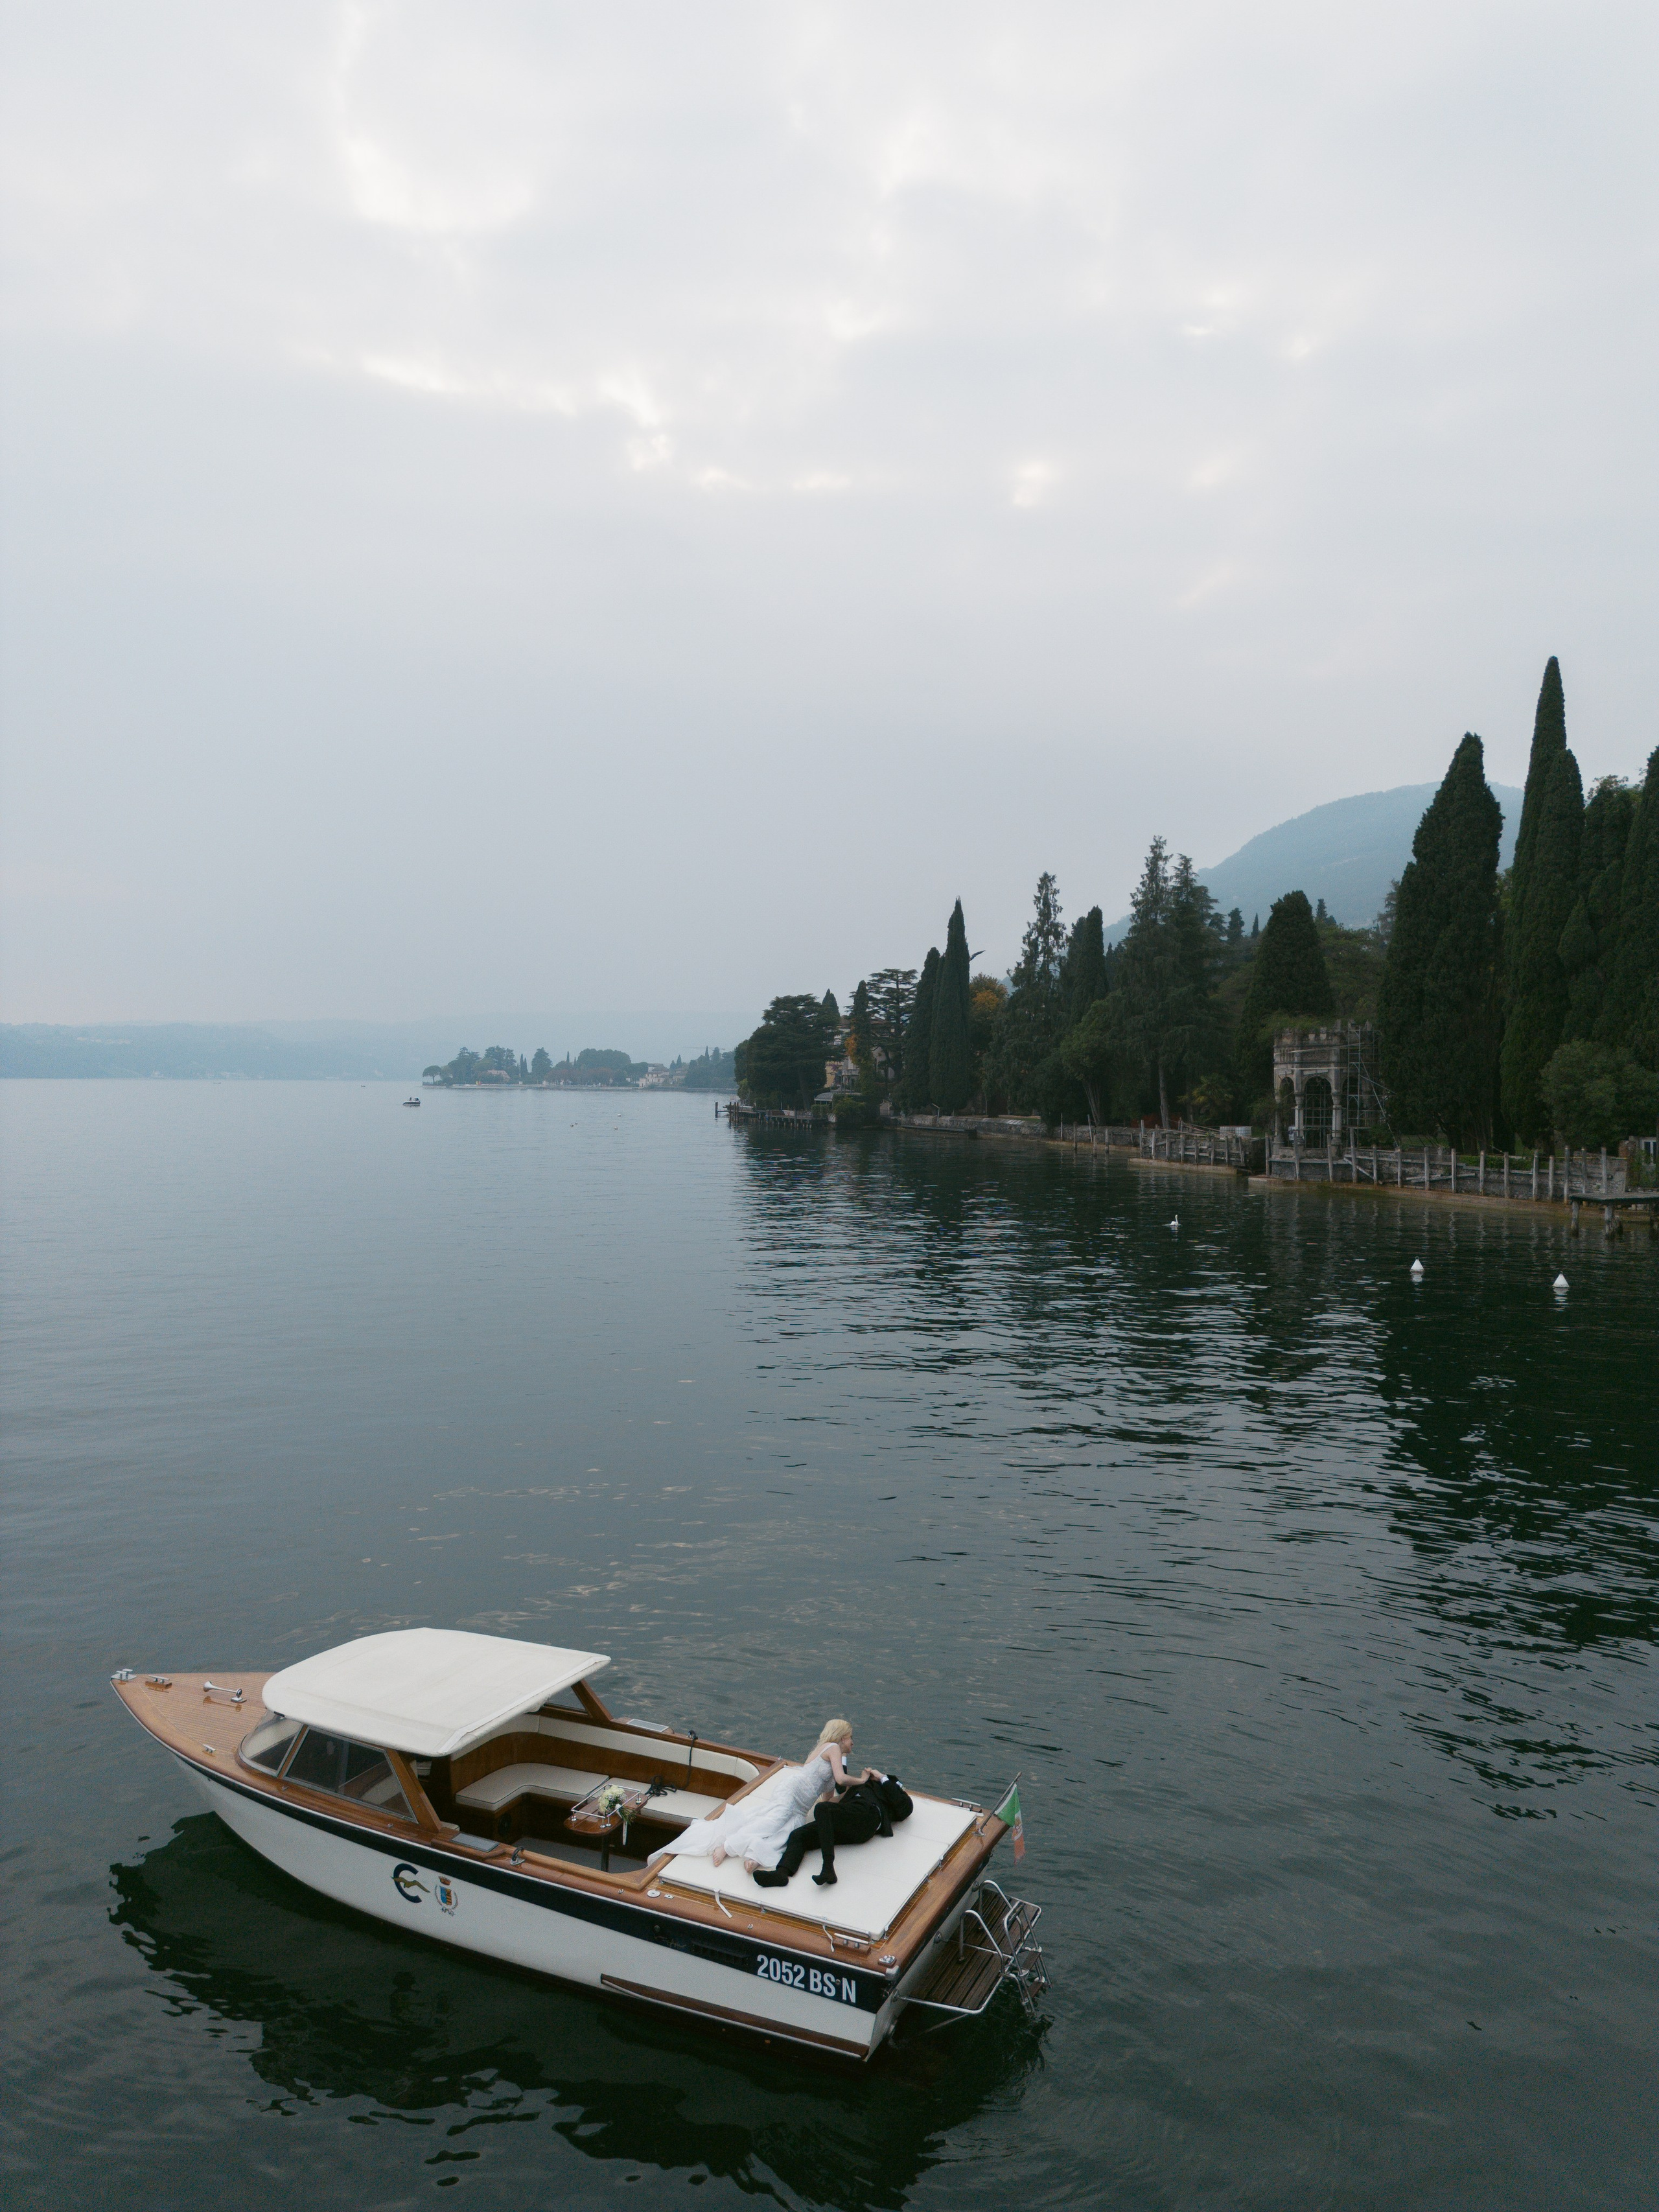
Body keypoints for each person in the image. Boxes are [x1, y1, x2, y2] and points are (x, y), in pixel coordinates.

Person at [653, 1719, 870, 1877]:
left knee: (787, 1835)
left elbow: (827, 1801)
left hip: (801, 1808)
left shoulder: (833, 1771)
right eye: (851, 1738)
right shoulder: (832, 1748)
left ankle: (755, 1857)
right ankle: (727, 1847)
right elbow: (843, 1779)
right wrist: (862, 1781)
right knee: (772, 1822)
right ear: (842, 1738)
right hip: (792, 1791)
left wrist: (849, 1798)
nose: (853, 1743)